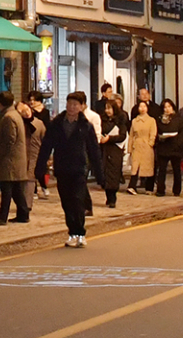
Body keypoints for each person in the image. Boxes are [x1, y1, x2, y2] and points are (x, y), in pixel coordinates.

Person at [35, 90, 102, 246]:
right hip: (62, 168)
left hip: (79, 169)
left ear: (82, 106)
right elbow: (46, 146)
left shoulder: (86, 126)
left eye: (75, 104)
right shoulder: (56, 124)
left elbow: (94, 150)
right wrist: (40, 168)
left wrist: (100, 174)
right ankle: (72, 232)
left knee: (78, 200)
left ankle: (80, 233)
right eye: (69, 104)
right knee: (66, 202)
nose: (71, 107)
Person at [0, 91, 31, 225]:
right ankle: (23, 213)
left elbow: (9, 140)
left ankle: (2, 216)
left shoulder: (8, 117)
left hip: (10, 160)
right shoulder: (15, 114)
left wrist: (0, 154)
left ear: (0, 103)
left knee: (6, 189)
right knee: (16, 189)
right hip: (16, 159)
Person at [95, 96, 126, 208]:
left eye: (109, 108)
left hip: (115, 150)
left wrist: (110, 138)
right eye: (106, 108)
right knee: (105, 174)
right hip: (104, 150)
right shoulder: (102, 120)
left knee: (113, 174)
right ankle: (108, 197)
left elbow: (122, 136)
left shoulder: (120, 120)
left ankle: (112, 198)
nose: (107, 111)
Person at [153, 99, 183, 195]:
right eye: (165, 107)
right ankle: (160, 190)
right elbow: (156, 132)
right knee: (161, 170)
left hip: (175, 148)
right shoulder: (160, 120)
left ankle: (176, 190)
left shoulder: (179, 119)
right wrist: (160, 138)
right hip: (163, 147)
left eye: (169, 106)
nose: (167, 109)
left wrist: (178, 143)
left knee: (176, 170)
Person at [126, 100, 156, 194]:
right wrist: (130, 148)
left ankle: (149, 188)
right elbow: (131, 135)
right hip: (137, 145)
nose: (142, 109)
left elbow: (153, 133)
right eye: (140, 107)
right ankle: (132, 186)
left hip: (147, 145)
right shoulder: (135, 121)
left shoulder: (151, 120)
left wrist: (150, 143)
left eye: (144, 107)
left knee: (148, 166)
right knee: (135, 167)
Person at [24, 92, 48, 196]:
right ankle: (32, 191)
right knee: (30, 168)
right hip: (29, 142)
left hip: (40, 142)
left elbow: (47, 128)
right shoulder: (28, 112)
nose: (32, 102)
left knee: (39, 167)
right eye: (31, 100)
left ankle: (43, 186)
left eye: (34, 100)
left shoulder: (44, 112)